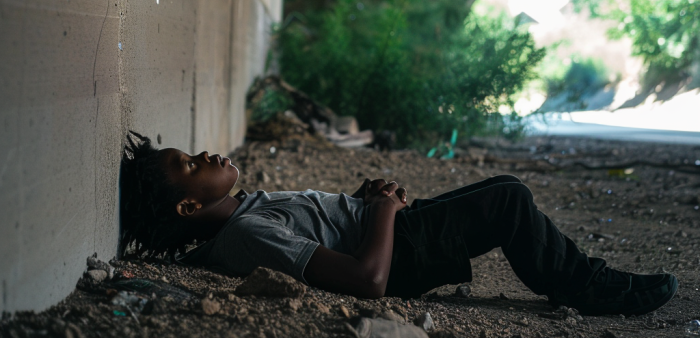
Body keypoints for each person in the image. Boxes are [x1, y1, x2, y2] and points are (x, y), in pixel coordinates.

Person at [120, 132, 678, 316]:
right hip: (396, 254)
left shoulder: (245, 213)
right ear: (188, 208)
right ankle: (586, 286)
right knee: (508, 199)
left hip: (383, 229)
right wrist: (383, 212)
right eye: (190, 166)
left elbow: (321, 228)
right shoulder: (246, 235)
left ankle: (568, 275)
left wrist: (364, 200)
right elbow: (369, 281)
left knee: (498, 194)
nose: (208, 158)